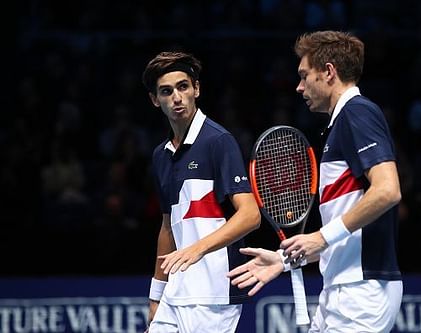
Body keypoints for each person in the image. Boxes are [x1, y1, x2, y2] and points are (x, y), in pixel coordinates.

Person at [228, 30, 403, 332]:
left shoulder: (357, 112)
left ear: (329, 72)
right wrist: (284, 260)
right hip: (339, 287)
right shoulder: (342, 121)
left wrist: (319, 237)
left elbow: (388, 191)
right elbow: (347, 229)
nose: (298, 87)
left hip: (360, 293)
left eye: (304, 75)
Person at [142, 51, 261, 333]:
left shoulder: (218, 142)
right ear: (155, 100)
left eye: (183, 87)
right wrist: (156, 295)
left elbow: (250, 215)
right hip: (176, 291)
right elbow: (167, 228)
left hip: (213, 293)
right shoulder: (161, 155)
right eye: (166, 91)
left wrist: (196, 249)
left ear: (197, 89)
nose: (177, 97)